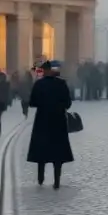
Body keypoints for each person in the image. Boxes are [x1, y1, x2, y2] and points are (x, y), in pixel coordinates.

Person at [26, 60, 75, 189]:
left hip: (42, 120)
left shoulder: (39, 84)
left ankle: (40, 178)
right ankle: (56, 180)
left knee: (41, 151)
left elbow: (32, 103)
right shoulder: (61, 84)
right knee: (57, 152)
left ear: (44, 71)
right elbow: (68, 103)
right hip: (58, 121)